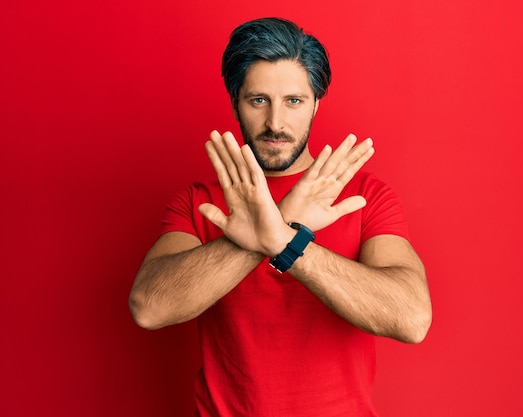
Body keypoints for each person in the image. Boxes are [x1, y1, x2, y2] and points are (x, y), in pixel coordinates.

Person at [129, 17, 432, 416]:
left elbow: (411, 319)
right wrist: (275, 227)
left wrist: (288, 242)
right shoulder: (200, 202)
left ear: (316, 103)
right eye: (258, 100)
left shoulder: (364, 197)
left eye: (293, 101)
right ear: (236, 100)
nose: (275, 123)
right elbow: (149, 308)